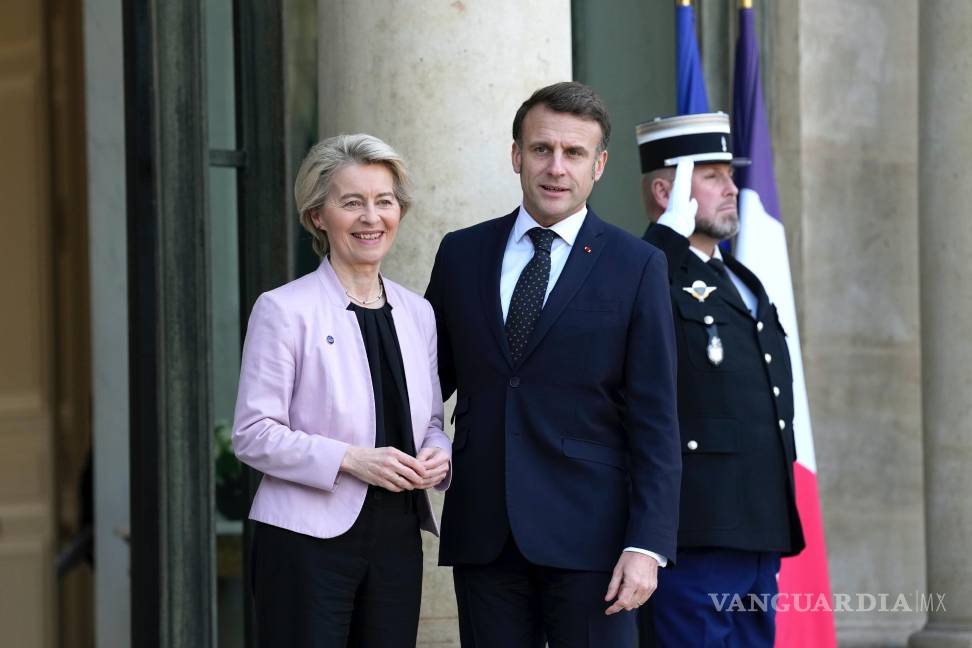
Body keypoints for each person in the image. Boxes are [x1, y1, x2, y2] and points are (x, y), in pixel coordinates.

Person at [425, 81, 682, 647]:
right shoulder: (461, 253)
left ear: (600, 164)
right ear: (517, 155)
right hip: (485, 534)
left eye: (574, 153)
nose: (556, 167)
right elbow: (426, 383)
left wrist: (647, 546)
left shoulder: (637, 265)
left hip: (595, 543)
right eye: (542, 149)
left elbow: (657, 417)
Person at [232, 133, 452, 648]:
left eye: (384, 202)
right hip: (306, 542)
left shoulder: (418, 314)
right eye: (351, 203)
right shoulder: (283, 309)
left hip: (397, 537)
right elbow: (252, 433)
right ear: (317, 216)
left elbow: (433, 422)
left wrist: (438, 456)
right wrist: (350, 459)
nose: (371, 217)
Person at [635, 112, 805, 647]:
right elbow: (621, 313)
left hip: (758, 527)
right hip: (699, 530)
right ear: (668, 190)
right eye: (711, 176)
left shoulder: (741, 278)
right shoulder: (651, 269)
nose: (732, 188)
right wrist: (664, 237)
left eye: (729, 173)